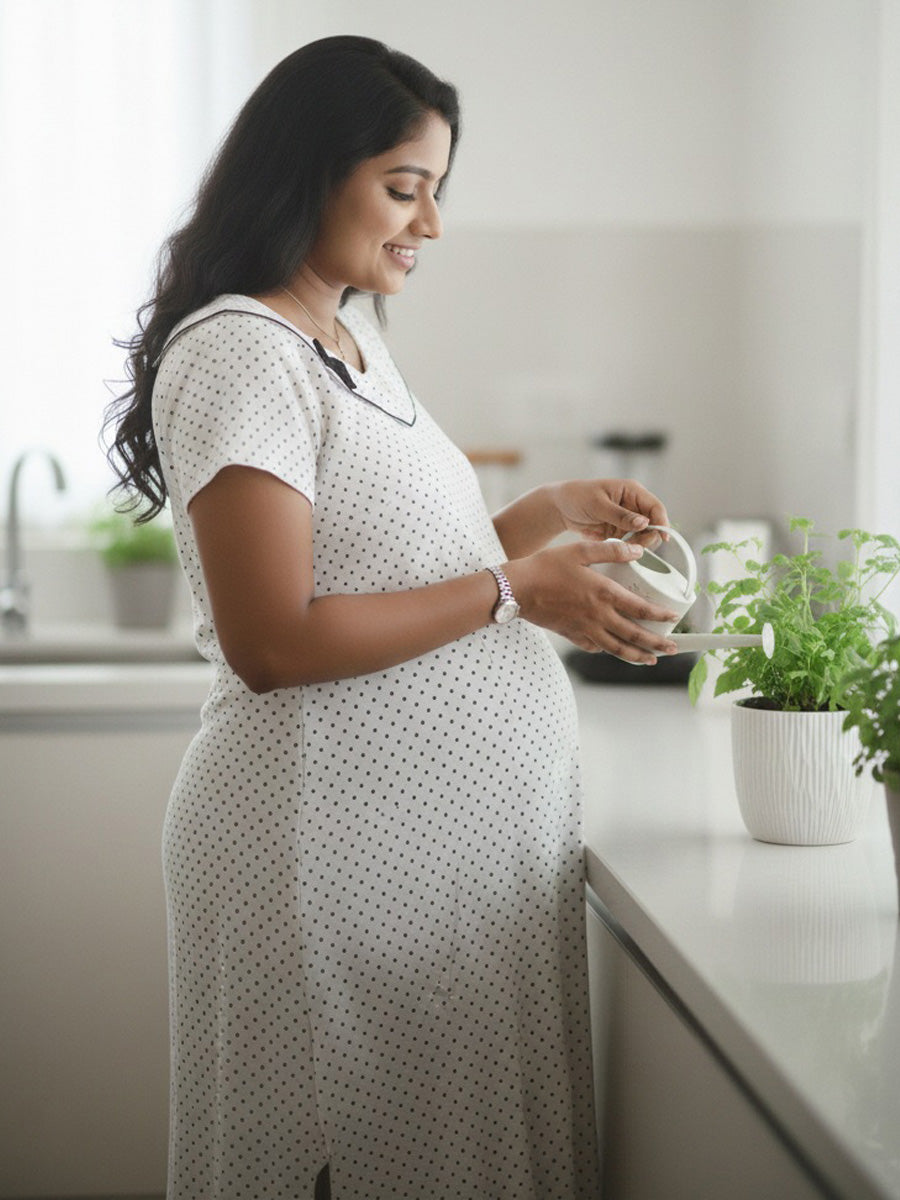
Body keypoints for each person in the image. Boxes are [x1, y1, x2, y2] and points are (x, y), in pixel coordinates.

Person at [106, 35, 679, 1200]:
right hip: (320, 863)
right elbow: (276, 640)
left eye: (438, 192)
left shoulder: (350, 343)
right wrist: (520, 590)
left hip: (417, 876)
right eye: (403, 187)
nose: (430, 224)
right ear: (308, 171)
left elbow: (396, 565)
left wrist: (535, 519)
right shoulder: (240, 352)